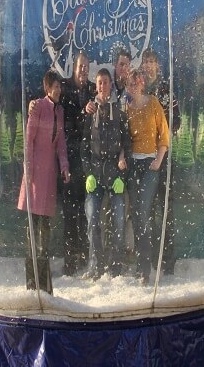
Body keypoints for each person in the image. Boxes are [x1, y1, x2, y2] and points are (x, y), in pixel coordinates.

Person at [17, 70, 70, 294]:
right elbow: (28, 140)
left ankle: (46, 285)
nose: (58, 90)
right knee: (32, 229)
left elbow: (61, 145)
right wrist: (27, 168)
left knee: (45, 232)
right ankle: (31, 284)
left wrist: (65, 167)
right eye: (54, 86)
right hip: (34, 176)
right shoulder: (37, 106)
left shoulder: (60, 111)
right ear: (47, 88)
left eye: (60, 86)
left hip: (49, 176)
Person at [81, 68, 132, 280]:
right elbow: (83, 145)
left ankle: (116, 267)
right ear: (96, 86)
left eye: (106, 82)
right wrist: (88, 173)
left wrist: (123, 173)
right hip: (95, 176)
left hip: (116, 177)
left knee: (119, 221)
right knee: (93, 219)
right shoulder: (89, 112)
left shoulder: (119, 112)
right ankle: (95, 266)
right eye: (99, 83)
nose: (103, 86)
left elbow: (127, 143)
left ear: (111, 85)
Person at [125, 68, 169, 285]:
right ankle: (142, 266)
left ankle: (145, 267)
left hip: (151, 164)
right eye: (129, 84)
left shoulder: (153, 103)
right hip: (133, 165)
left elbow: (164, 134)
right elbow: (122, 138)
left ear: (141, 83)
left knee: (143, 212)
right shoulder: (127, 108)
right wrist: (123, 157)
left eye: (135, 83)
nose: (132, 87)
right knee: (137, 214)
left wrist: (159, 160)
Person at [141, 48, 181, 275]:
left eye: (151, 61)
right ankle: (150, 259)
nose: (148, 65)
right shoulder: (140, 89)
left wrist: (160, 138)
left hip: (163, 158)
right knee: (146, 210)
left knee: (165, 210)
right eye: (145, 61)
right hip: (143, 159)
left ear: (157, 65)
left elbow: (177, 122)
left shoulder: (166, 90)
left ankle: (167, 261)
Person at [60, 52, 95, 275]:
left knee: (85, 211)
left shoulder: (93, 89)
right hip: (69, 158)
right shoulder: (64, 87)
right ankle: (69, 259)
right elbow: (66, 120)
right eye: (81, 66)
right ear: (74, 67)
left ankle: (83, 255)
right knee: (69, 211)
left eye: (86, 67)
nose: (83, 70)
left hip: (88, 160)